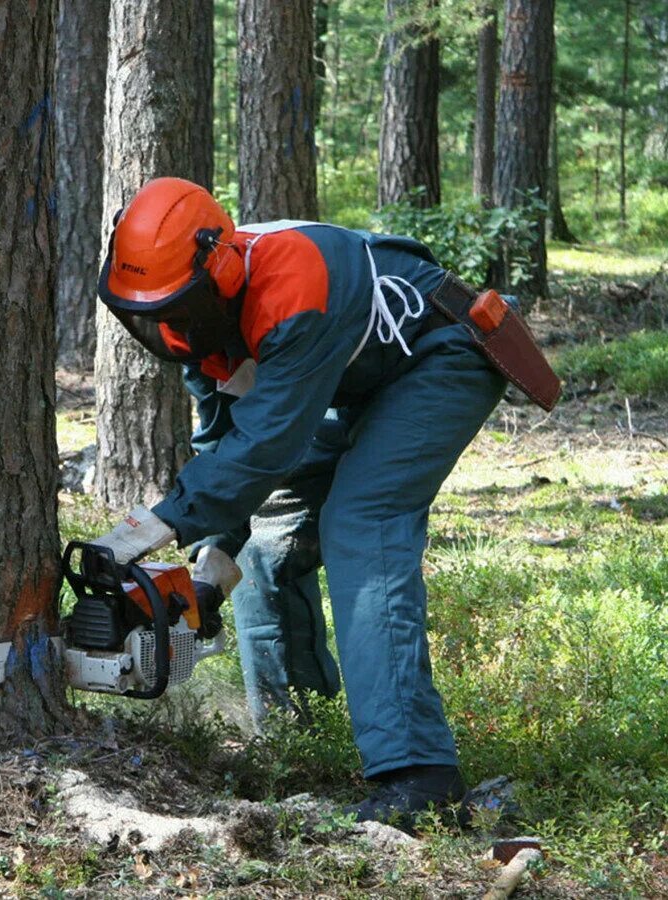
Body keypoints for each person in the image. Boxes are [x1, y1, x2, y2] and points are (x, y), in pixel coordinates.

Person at [87, 176, 517, 829]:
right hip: (352, 379)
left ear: (215, 276)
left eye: (174, 308)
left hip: (442, 351)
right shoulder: (196, 321)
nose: (163, 324)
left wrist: (142, 533)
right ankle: (296, 739)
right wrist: (208, 573)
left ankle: (419, 772)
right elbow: (225, 440)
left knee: (362, 518)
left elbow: (266, 445)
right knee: (267, 542)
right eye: (151, 311)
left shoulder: (294, 284)